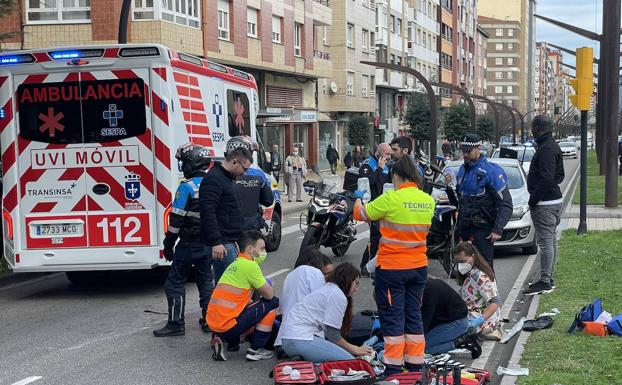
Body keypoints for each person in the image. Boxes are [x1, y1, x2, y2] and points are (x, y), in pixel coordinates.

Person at [353, 156, 435, 376]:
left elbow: (362, 214)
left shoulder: (391, 198)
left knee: (392, 317)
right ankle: (415, 364)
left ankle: (392, 368)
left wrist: (359, 198)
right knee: (413, 314)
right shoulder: (428, 200)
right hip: (418, 266)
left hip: (392, 268)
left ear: (397, 176)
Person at [153, 144, 213, 337]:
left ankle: (176, 323)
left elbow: (176, 221)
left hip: (189, 243)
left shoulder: (186, 187)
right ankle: (210, 320)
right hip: (209, 243)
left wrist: (168, 245)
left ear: (191, 163)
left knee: (174, 282)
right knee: (205, 280)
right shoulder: (214, 183)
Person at [279, 262, 373, 363]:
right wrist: (356, 349)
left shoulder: (328, 288)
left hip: (289, 340)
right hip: (300, 339)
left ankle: (304, 361)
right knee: (351, 361)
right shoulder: (337, 295)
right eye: (356, 283)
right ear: (348, 280)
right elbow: (334, 337)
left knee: (342, 354)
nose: (356, 289)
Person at [207, 231, 279, 361]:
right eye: (262, 248)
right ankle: (256, 349)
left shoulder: (234, 265)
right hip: (230, 325)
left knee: (248, 305)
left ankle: (222, 339)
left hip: (214, 323)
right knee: (273, 302)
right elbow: (269, 295)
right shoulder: (250, 265)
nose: (263, 253)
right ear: (251, 249)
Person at [446, 133, 513, 269]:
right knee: (464, 269)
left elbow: (506, 203)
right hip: (464, 229)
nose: (465, 155)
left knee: (484, 270)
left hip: (483, 231)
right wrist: (449, 188)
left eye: (468, 151)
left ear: (478, 148)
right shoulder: (462, 170)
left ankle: (488, 291)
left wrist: (497, 229)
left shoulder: (491, 171)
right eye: (463, 151)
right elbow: (459, 202)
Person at [199, 145, 252, 284]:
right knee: (229, 286)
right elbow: (207, 212)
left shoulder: (226, 178)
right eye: (244, 169)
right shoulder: (214, 178)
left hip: (229, 241)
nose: (244, 173)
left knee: (232, 285)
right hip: (222, 244)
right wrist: (216, 242)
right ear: (235, 162)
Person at [524, 116, 564, 296]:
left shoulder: (546, 149)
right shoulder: (552, 145)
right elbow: (559, 176)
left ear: (538, 128)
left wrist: (534, 198)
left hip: (544, 203)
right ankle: (548, 277)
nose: (531, 131)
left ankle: (545, 281)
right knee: (551, 241)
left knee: (546, 242)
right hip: (553, 201)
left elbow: (548, 178)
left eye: (532, 127)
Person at [275, 247, 334, 346]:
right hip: (306, 335)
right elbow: (321, 303)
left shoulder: (290, 275)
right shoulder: (315, 272)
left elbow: (282, 307)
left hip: (283, 337)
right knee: (344, 356)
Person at [452, 241, 503, 341]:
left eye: (463, 261)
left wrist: (480, 320)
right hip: (473, 313)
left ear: (473, 256)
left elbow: (495, 302)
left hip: (480, 317)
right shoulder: (470, 274)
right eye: (457, 263)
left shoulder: (481, 277)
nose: (460, 266)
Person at [421, 279, 481, 358]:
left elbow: (423, 325)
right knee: (415, 345)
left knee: (419, 349)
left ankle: (461, 341)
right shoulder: (425, 286)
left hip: (457, 322)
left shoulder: (429, 292)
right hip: (446, 320)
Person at [358, 143, 393, 276]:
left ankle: (367, 265)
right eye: (387, 154)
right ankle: (368, 267)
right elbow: (365, 182)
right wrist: (379, 169)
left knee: (378, 235)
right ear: (379, 152)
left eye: (390, 154)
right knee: (376, 236)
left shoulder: (386, 165)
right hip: (373, 205)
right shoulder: (368, 164)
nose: (389, 157)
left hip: (384, 205)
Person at [227, 136, 274, 232]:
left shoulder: (218, 174)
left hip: (228, 229)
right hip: (251, 228)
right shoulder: (258, 174)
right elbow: (268, 200)